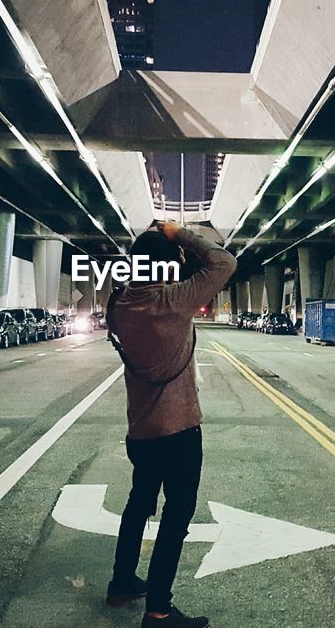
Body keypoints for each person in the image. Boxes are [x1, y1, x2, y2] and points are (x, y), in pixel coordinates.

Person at [105, 220, 236, 628]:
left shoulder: (119, 304)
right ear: (169, 266)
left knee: (139, 505)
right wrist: (181, 234)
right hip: (178, 432)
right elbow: (222, 262)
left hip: (140, 433)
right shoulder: (173, 301)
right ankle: (159, 610)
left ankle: (122, 583)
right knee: (176, 518)